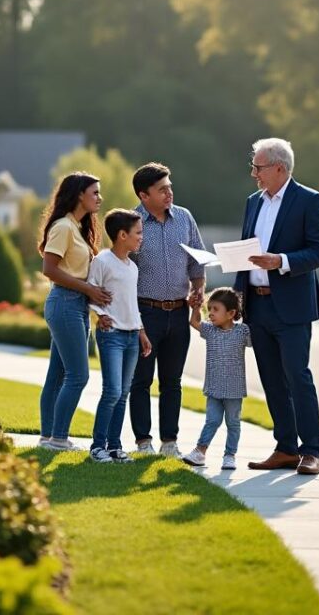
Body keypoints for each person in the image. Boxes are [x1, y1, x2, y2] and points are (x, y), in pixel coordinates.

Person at [236, 138, 319, 476]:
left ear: (279, 168)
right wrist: (237, 298)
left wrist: (282, 261)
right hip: (257, 307)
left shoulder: (309, 200)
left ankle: (311, 451)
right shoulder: (252, 202)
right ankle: (286, 448)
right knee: (272, 380)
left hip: (291, 308)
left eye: (258, 167)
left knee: (297, 377)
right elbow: (246, 253)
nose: (253, 174)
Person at [128, 163, 206, 457]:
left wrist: (198, 289)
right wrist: (134, 321)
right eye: (162, 189)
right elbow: (122, 271)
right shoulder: (131, 222)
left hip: (178, 314)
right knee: (141, 380)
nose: (169, 193)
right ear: (143, 195)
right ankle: (143, 442)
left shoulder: (184, 218)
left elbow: (197, 260)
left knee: (172, 381)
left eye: (170, 187)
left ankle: (169, 442)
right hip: (144, 313)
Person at [38, 172, 111, 451]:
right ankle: (58, 438)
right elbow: (50, 269)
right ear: (79, 194)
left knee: (57, 375)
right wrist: (89, 290)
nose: (99, 198)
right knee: (78, 375)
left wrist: (91, 297)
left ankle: (48, 437)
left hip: (75, 305)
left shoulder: (77, 228)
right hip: (65, 304)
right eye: (94, 192)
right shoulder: (63, 227)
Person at [87, 209, 153, 463]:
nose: (141, 238)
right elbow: (91, 291)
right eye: (138, 233)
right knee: (112, 391)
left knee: (123, 393)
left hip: (130, 337)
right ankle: (97, 446)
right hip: (111, 334)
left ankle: (114, 446)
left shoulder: (132, 267)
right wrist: (98, 314)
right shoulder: (102, 260)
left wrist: (141, 332)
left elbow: (131, 304)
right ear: (122, 235)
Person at [181, 288, 250, 471]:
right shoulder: (210, 330)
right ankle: (200, 451)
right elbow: (194, 322)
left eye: (215, 309)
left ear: (231, 313)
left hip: (234, 389)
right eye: (209, 308)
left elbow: (256, 341)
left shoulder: (242, 331)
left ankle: (229, 455)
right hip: (213, 387)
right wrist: (196, 307)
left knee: (233, 423)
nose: (210, 313)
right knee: (212, 420)